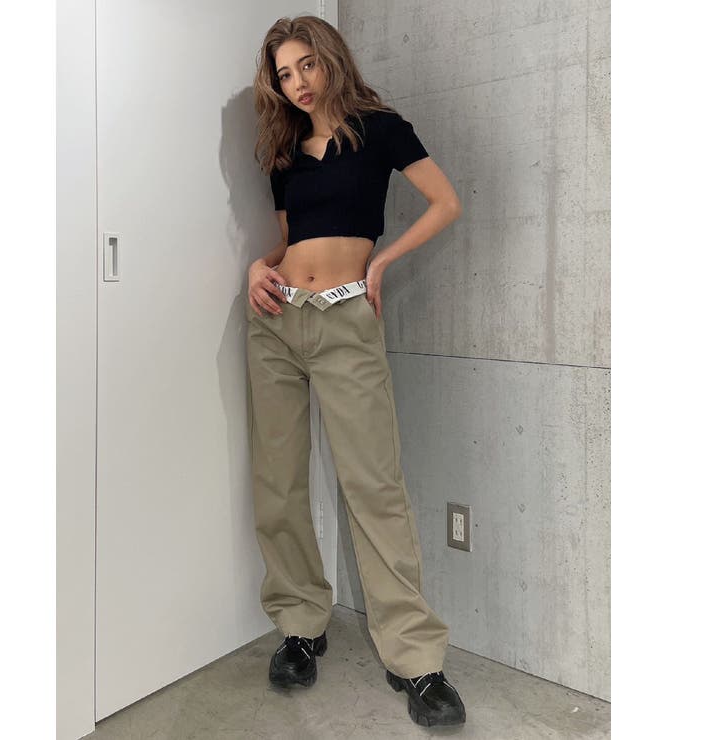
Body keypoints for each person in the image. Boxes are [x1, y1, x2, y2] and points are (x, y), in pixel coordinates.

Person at [246, 15, 466, 728]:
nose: (298, 83)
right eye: (284, 74)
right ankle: (300, 626)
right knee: (278, 482)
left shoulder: (381, 130)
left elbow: (446, 202)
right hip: (277, 321)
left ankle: (416, 660)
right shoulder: (285, 153)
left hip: (346, 320)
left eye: (306, 65)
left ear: (330, 58)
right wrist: (257, 269)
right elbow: (287, 244)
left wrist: (382, 262)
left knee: (374, 484)